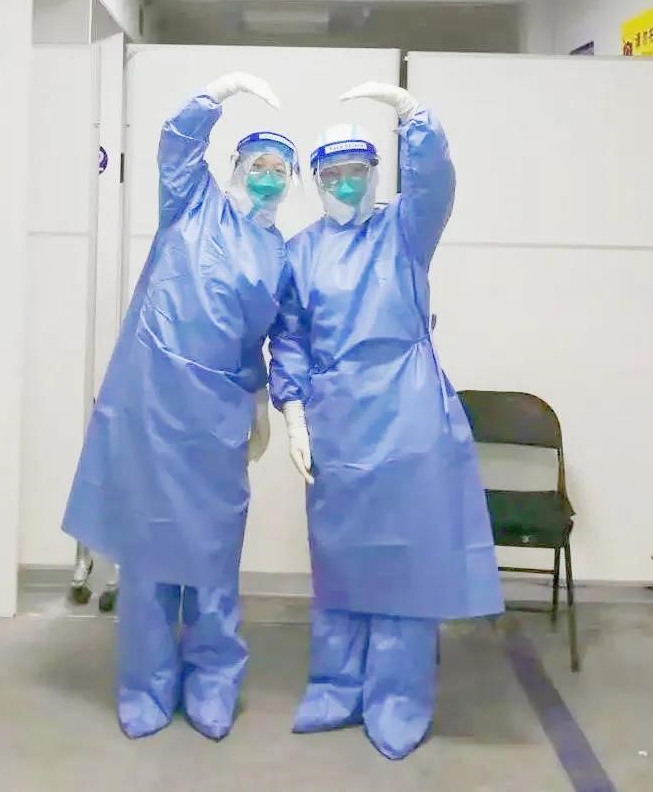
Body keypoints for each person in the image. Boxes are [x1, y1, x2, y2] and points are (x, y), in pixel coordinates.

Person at [269, 82, 503, 760]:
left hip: (406, 410)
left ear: (375, 174)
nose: (345, 185)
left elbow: (436, 185)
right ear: (316, 182)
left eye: (356, 172)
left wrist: (414, 117)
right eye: (332, 176)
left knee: (404, 558)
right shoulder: (300, 252)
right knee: (341, 557)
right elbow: (290, 336)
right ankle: (335, 688)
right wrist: (293, 414)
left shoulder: (403, 230)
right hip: (335, 417)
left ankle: (398, 699)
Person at [62, 72, 296, 741]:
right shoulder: (192, 203)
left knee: (213, 560)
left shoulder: (279, 254)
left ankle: (213, 686)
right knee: (149, 558)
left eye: (280, 170)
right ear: (235, 167)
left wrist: (264, 400)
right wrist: (216, 95)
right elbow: (176, 144)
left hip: (219, 416)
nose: (267, 178)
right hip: (155, 408)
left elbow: (275, 336)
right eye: (258, 165)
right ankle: (146, 688)